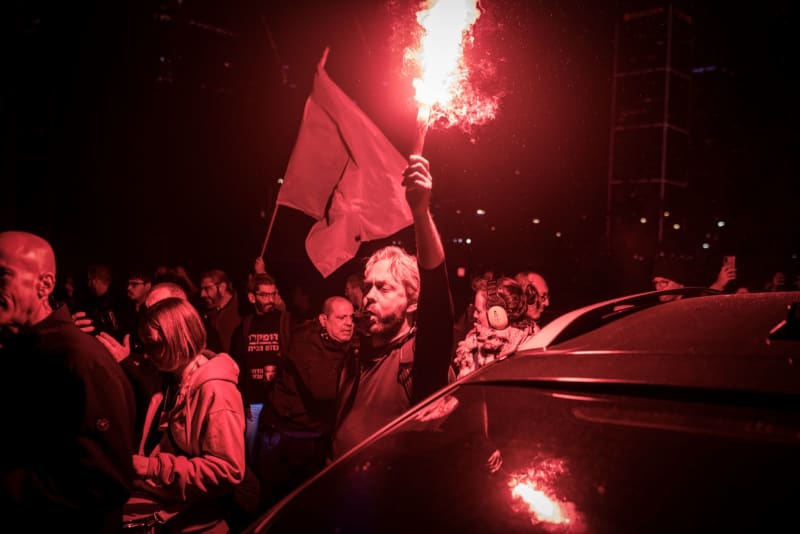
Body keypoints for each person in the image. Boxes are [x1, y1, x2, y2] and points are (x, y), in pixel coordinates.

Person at [0, 231, 136, 532]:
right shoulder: (17, 351)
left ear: (45, 285)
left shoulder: (81, 360)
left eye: (3, 275)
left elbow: (105, 480)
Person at [330, 154, 455, 459]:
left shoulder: (420, 360)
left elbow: (437, 299)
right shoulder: (357, 353)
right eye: (368, 285)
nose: (369, 295)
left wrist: (420, 212)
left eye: (384, 287)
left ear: (413, 302)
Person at [124, 297, 246, 532]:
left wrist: (153, 467)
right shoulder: (176, 381)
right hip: (175, 509)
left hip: (200, 523)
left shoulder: (216, 390)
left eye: (154, 345)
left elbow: (227, 470)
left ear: (178, 340)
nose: (148, 354)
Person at [255, 296, 356, 508]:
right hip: (286, 438)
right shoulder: (304, 343)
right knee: (282, 504)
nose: (349, 323)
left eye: (351, 317)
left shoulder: (342, 344)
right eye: (341, 317)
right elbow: (324, 391)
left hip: (313, 437)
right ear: (323, 320)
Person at [229, 272, 291, 462]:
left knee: (277, 452)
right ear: (252, 297)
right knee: (249, 451)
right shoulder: (245, 325)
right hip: (253, 401)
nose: (270, 299)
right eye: (264, 295)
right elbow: (237, 365)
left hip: (279, 400)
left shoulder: (284, 321)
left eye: (273, 294)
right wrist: (242, 399)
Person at [453, 277, 534, 378]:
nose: (474, 315)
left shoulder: (527, 348)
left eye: (478, 311)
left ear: (496, 315)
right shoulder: (471, 344)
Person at [199, 269, 242, 353]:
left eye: (207, 289)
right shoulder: (209, 315)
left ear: (222, 287)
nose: (202, 294)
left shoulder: (242, 308)